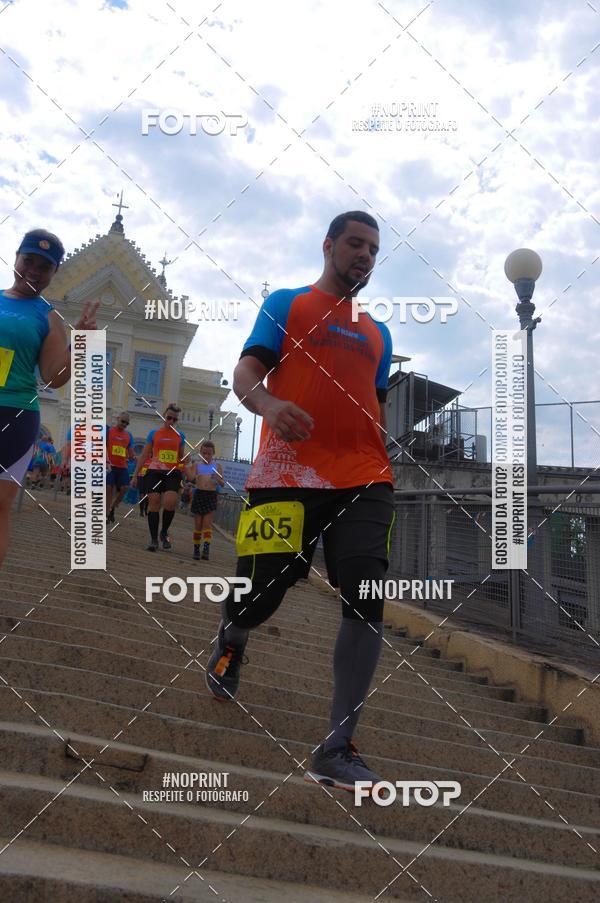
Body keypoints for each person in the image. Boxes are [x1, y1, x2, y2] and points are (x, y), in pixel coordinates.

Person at [205, 211, 395, 793]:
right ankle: (232, 640)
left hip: (364, 477)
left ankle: (339, 746)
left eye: (373, 249)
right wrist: (266, 406)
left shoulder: (380, 333)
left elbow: (371, 403)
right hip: (285, 474)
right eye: (355, 245)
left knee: (367, 592)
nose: (364, 255)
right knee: (263, 591)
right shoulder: (288, 304)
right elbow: (246, 372)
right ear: (329, 246)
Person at [0, 228, 99, 566]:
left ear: (53, 273)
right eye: (29, 260)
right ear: (16, 257)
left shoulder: (49, 318)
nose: (34, 270)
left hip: (14, 415)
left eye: (44, 266)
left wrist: (81, 342)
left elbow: (55, 377)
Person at [131, 403, 186, 551]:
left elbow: (181, 457)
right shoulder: (154, 434)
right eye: (169, 418)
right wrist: (135, 475)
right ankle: (154, 539)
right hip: (154, 471)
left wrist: (185, 467)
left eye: (174, 419)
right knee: (154, 503)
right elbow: (144, 455)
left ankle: (163, 532)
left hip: (172, 472)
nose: (171, 421)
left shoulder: (180, 436)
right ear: (164, 417)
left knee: (170, 502)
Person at [187, 440, 224, 560]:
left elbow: (222, 483)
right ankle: (196, 548)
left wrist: (218, 479)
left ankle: (206, 549)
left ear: (213, 453)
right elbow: (191, 478)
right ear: (201, 453)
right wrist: (186, 466)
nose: (206, 456)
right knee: (198, 525)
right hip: (199, 494)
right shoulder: (197, 465)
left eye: (209, 454)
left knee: (207, 524)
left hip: (211, 495)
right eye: (204, 453)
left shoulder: (217, 466)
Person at [106, 411, 135, 522]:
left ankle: (113, 507)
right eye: (123, 421)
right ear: (118, 419)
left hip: (122, 467)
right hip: (110, 465)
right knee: (109, 488)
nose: (124, 424)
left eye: (127, 423)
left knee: (125, 488)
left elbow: (131, 452)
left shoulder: (128, 435)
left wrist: (134, 457)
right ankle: (106, 513)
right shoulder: (109, 432)